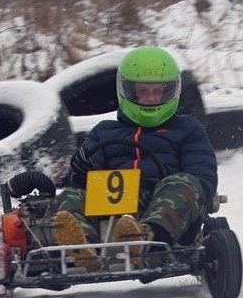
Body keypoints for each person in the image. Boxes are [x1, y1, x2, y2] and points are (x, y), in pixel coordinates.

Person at [53, 46, 218, 268]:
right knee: (69, 196)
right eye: (143, 91)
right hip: (110, 208)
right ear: (128, 91)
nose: (150, 98)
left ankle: (147, 240)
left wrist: (184, 187)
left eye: (157, 91)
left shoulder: (187, 128)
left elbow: (203, 177)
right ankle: (83, 248)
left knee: (184, 183)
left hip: (163, 207)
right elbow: (83, 183)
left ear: (170, 91)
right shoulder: (104, 131)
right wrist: (82, 169)